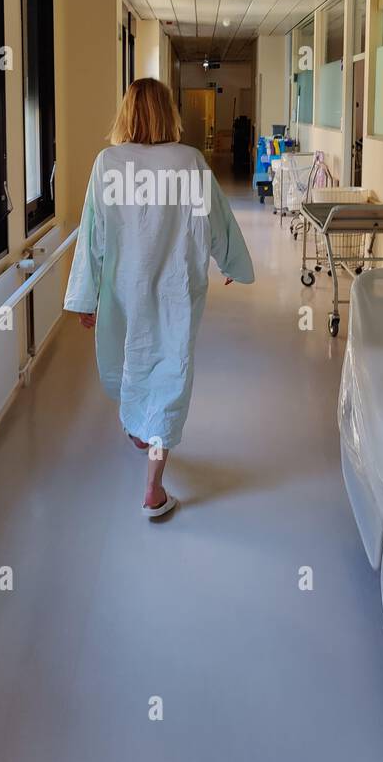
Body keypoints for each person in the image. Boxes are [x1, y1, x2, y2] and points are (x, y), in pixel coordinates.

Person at [64, 78, 254, 518]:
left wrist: (86, 298)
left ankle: (144, 442)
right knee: (169, 373)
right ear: (169, 113)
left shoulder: (107, 163)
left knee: (133, 359)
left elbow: (92, 234)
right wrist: (229, 263)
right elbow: (217, 220)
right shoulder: (189, 162)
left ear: (126, 112)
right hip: (175, 291)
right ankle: (152, 484)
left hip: (122, 289)